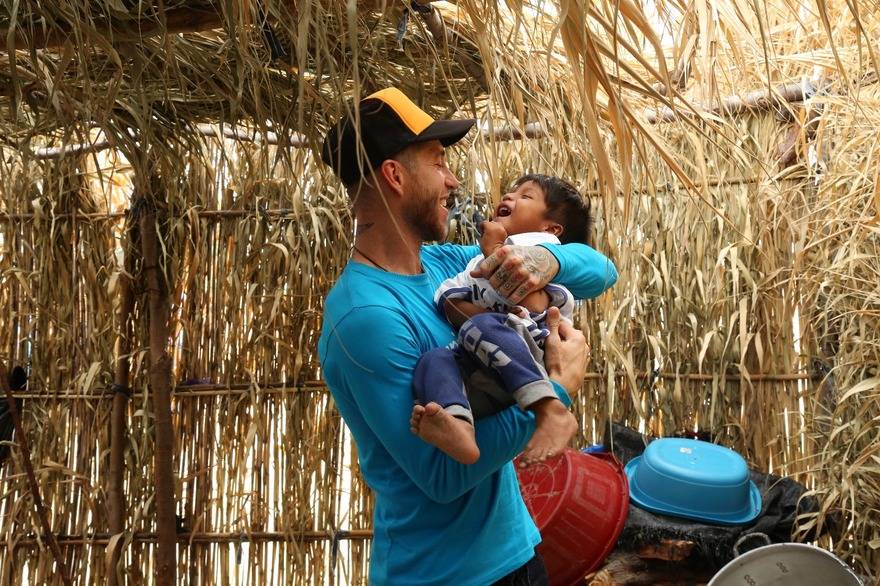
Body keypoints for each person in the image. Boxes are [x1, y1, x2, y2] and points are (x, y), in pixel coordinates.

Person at [318, 87, 618, 585]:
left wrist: (549, 259)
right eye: (438, 162)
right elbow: (444, 476)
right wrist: (557, 391)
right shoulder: (366, 317)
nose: (453, 180)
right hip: (443, 574)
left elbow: (602, 273)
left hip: (516, 550)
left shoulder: (446, 267)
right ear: (395, 176)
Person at [411, 174, 594, 466]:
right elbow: (448, 300)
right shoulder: (473, 261)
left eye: (526, 196)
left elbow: (535, 304)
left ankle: (550, 409)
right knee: (433, 361)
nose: (509, 197)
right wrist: (479, 321)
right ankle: (459, 425)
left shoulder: (540, 255)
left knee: (483, 326)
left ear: (550, 229)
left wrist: (495, 254)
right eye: (510, 192)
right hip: (480, 364)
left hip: (527, 356)